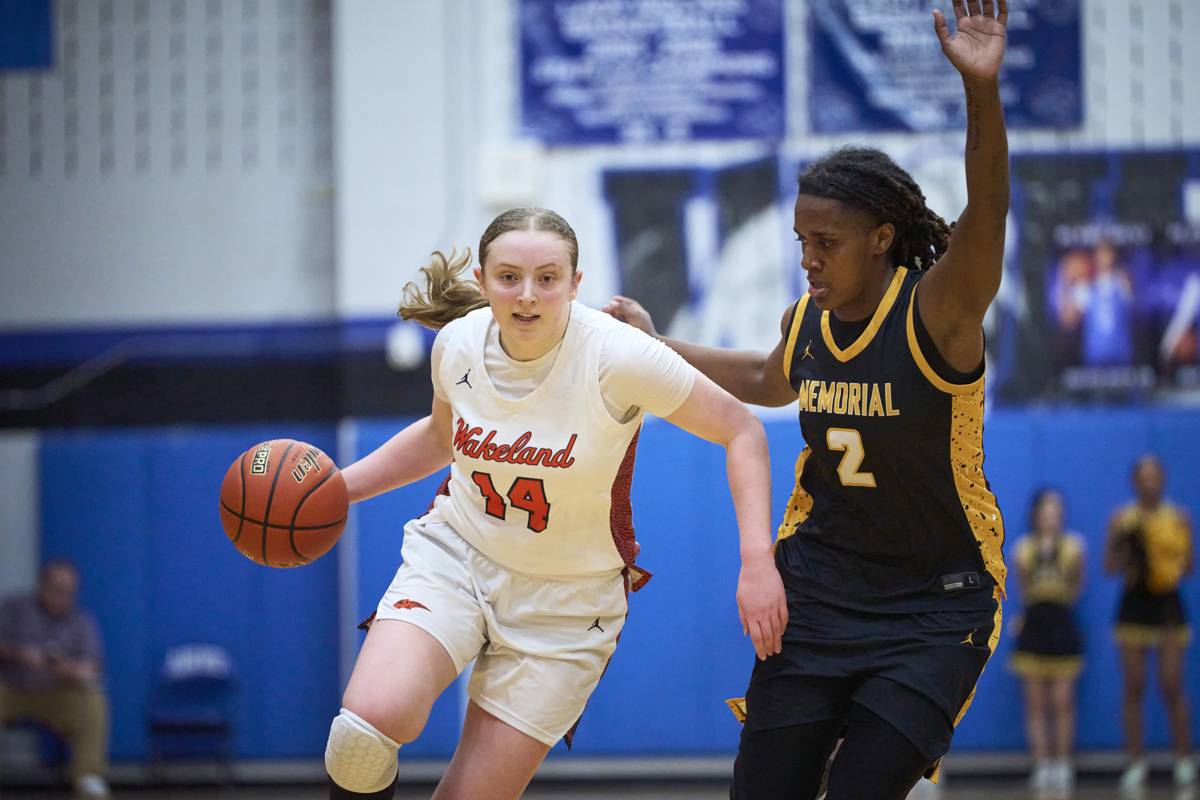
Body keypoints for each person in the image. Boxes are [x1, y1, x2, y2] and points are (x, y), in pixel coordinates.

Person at [604, 1, 1010, 796]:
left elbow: (988, 216)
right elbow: (763, 379)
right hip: (820, 589)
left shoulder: (938, 311)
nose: (808, 261)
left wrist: (981, 93)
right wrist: (655, 344)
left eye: (826, 244)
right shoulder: (810, 324)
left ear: (882, 238)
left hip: (935, 601)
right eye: (801, 243)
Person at [322, 207, 788, 800]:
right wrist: (339, 489)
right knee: (366, 726)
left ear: (575, 284)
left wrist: (757, 561)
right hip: (459, 555)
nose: (526, 295)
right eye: (509, 276)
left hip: (568, 605)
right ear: (485, 280)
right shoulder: (459, 343)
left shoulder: (617, 357)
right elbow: (443, 438)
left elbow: (741, 428)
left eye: (547, 278)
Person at [1104, 454, 1195, 793]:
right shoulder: (1122, 518)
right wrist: (1129, 550)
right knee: (1134, 685)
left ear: (1164, 479)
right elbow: (1109, 566)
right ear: (1134, 481)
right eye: (1143, 475)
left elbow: (1188, 568)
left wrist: (1164, 560)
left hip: (1167, 604)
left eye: (1156, 474)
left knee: (1172, 684)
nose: (1150, 481)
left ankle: (1184, 759)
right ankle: (1135, 761)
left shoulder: (1178, 518)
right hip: (1134, 605)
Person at [0, 559, 110, 799]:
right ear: (42, 586)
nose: (63, 598)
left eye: (70, 592)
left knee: (92, 700)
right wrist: (20, 654)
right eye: (57, 591)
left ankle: (88, 777)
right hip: (11, 687)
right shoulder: (14, 608)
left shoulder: (82, 621)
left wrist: (68, 668)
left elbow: (91, 667)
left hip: (56, 692)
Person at [1008, 488, 1084, 800]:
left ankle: (1063, 763)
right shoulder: (1022, 548)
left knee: (1063, 701)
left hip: (1062, 622)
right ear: (1035, 514)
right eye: (1046, 509)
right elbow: (1024, 590)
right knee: (1036, 702)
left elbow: (1077, 587)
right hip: (1035, 624)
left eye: (1057, 509)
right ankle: (1041, 764)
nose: (1052, 515)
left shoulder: (1075, 546)